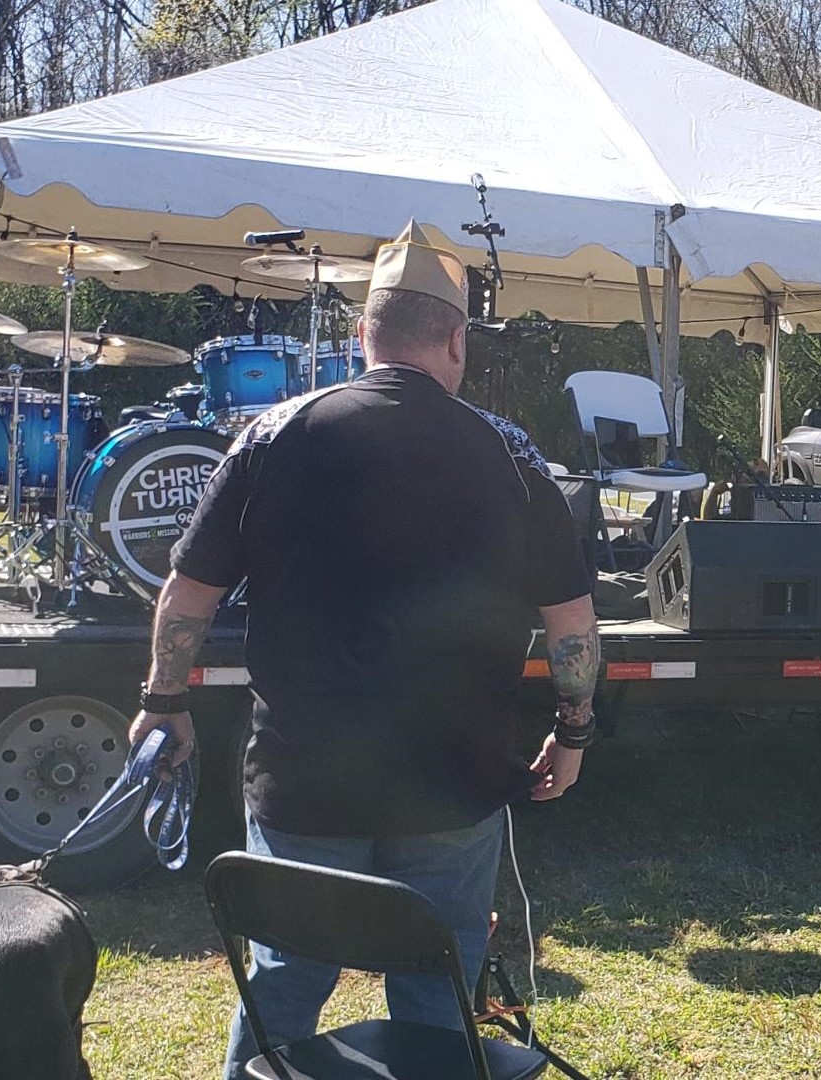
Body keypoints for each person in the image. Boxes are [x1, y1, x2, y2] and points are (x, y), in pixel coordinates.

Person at [124, 221, 600, 1080]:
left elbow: (187, 596)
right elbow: (573, 627)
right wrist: (572, 734)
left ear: (360, 337)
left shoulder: (272, 435)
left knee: (283, 979)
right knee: (440, 985)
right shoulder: (511, 452)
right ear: (456, 340)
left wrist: (163, 703)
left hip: (304, 780)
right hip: (453, 782)